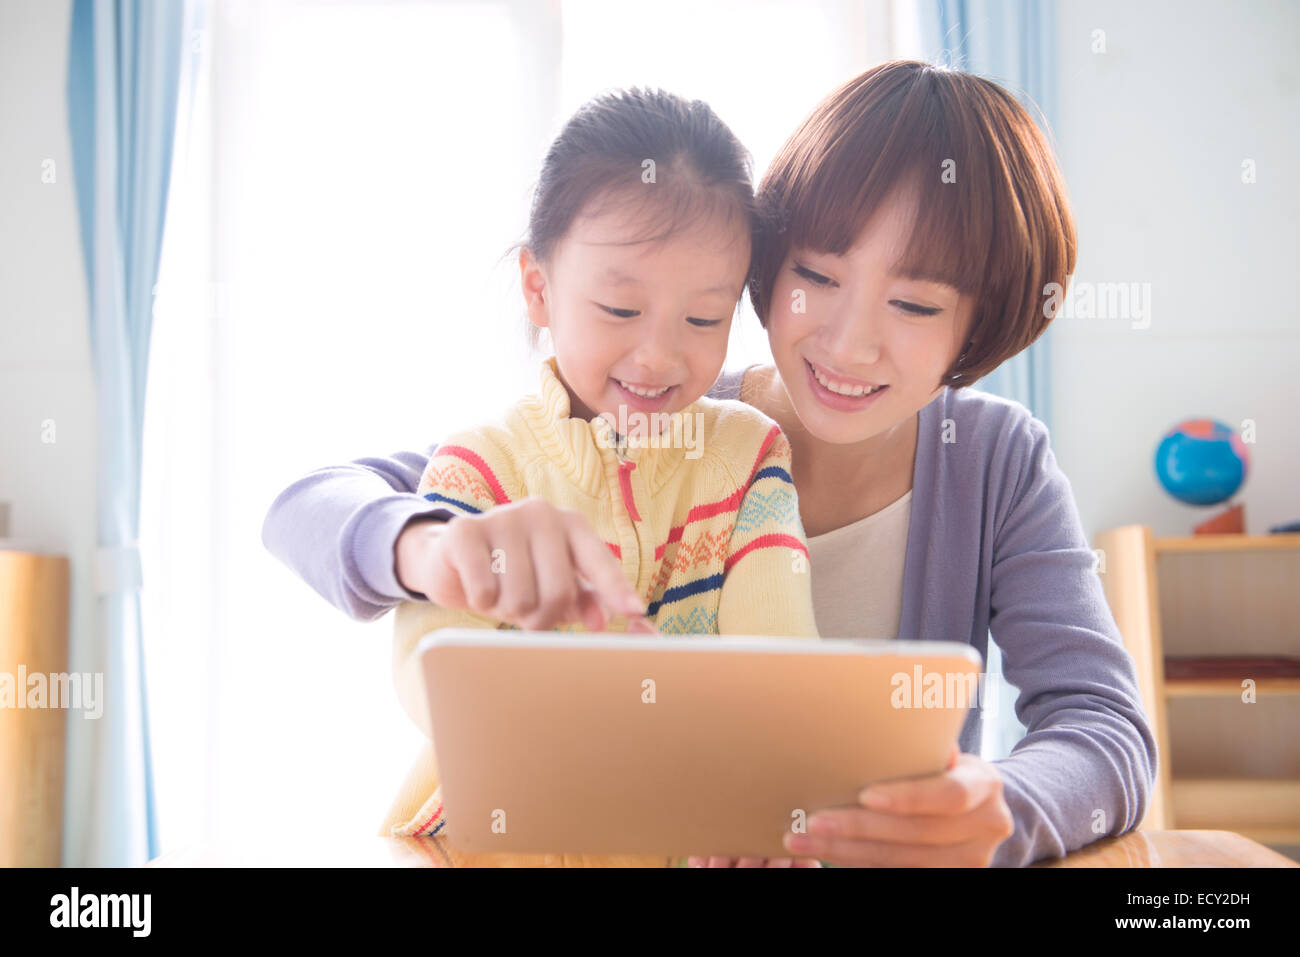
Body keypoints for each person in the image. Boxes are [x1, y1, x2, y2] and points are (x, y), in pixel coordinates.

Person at [262, 61, 1158, 868]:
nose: (849, 343)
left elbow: (1106, 728)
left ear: (981, 320)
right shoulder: (664, 406)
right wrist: (428, 543)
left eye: (915, 303)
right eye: (817, 274)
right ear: (761, 270)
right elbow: (313, 504)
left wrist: (998, 809)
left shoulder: (995, 462)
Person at [359, 87, 820, 857]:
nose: (659, 356)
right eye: (618, 309)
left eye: (703, 319)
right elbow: (432, 674)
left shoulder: (751, 459)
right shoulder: (480, 466)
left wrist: (765, 789)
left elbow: (781, 666)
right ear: (538, 288)